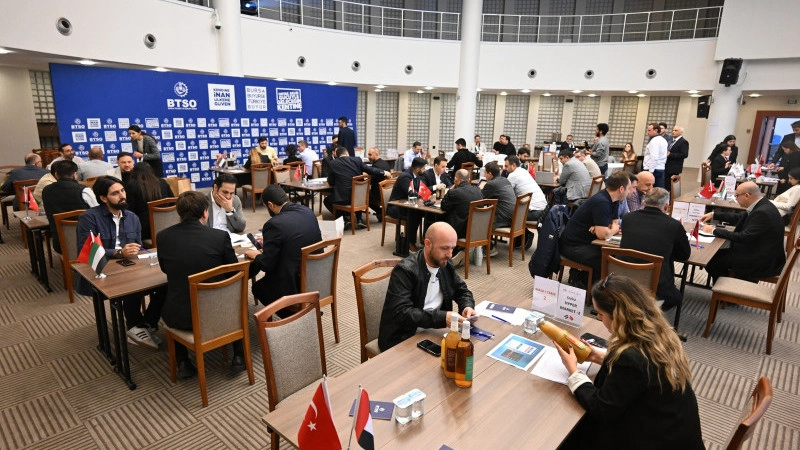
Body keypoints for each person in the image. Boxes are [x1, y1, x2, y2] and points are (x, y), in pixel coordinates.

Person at [555, 274, 704, 450]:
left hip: (655, 440)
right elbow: (642, 373)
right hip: (674, 432)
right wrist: (597, 356)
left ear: (619, 316)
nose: (599, 319)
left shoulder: (630, 357)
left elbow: (602, 408)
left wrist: (573, 371)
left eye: (601, 314)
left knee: (572, 435)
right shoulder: (661, 334)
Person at [157, 191, 241, 378]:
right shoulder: (219, 237)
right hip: (219, 315)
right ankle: (239, 356)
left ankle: (183, 362)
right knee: (233, 297)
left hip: (180, 318)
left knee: (173, 295)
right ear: (205, 212)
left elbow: (165, 269)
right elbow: (234, 273)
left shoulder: (162, 237)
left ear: (179, 213)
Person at [76, 176, 165, 349]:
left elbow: (137, 246)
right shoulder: (89, 218)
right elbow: (86, 251)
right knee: (131, 285)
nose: (122, 196)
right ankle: (135, 325)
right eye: (115, 193)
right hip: (102, 267)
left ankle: (144, 324)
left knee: (165, 283)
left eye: (122, 191)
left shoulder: (132, 217)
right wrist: (118, 252)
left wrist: (133, 252)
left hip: (130, 265)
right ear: (103, 198)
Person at [377, 222, 477, 351]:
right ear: (428, 244)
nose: (450, 254)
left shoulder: (445, 264)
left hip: (434, 330)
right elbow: (401, 313)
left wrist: (467, 306)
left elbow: (462, 290)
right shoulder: (405, 270)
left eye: (452, 248)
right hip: (403, 336)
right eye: (445, 248)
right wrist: (442, 317)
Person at [244, 185, 322, 308]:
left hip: (292, 286)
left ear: (270, 205)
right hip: (316, 277)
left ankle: (295, 314)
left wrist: (257, 255)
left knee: (258, 288)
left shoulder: (273, 224)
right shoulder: (308, 212)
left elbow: (267, 265)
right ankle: (308, 309)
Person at [620, 188, 691, 310]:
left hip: (623, 281)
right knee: (676, 297)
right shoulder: (674, 225)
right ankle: (648, 310)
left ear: (644, 203)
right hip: (656, 288)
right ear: (666, 206)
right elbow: (684, 255)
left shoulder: (627, 218)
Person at [700, 181, 786, 282]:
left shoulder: (762, 212)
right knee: (716, 254)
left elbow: (744, 237)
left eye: (737, 195)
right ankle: (728, 282)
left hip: (762, 260)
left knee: (712, 260)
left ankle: (727, 287)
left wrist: (714, 230)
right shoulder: (762, 204)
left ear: (747, 196)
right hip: (759, 250)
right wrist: (714, 214)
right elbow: (741, 217)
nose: (736, 199)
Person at [560, 171, 629, 287]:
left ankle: (587, 281)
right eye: (630, 188)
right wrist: (612, 230)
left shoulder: (614, 200)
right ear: (621, 189)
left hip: (587, 242)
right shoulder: (602, 202)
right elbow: (604, 234)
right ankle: (587, 285)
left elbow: (614, 223)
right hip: (573, 246)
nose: (631, 192)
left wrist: (607, 229)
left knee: (614, 255)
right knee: (607, 260)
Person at [325, 146, 389, 229]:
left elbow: (331, 181)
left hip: (343, 199)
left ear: (336, 156)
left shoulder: (333, 163)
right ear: (347, 153)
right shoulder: (357, 160)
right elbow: (370, 169)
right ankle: (359, 220)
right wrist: (384, 172)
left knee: (327, 200)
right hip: (360, 197)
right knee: (355, 194)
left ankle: (345, 219)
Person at [42, 160, 99, 253]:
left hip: (60, 244)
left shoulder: (46, 191)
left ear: (56, 175)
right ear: (75, 175)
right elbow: (98, 213)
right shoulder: (84, 191)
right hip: (89, 243)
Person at [124, 162, 173, 241]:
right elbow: (173, 202)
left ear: (134, 172)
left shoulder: (131, 185)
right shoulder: (163, 182)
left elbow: (130, 210)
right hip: (167, 227)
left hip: (143, 231)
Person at [388, 157, 427, 252]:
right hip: (396, 206)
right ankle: (410, 242)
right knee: (414, 215)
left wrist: (424, 194)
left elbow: (422, 190)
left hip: (408, 204)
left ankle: (424, 239)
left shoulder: (417, 176)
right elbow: (412, 193)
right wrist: (421, 194)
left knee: (426, 213)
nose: (424, 170)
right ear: (417, 169)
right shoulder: (405, 177)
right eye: (423, 168)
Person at [440, 168, 483, 243]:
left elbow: (443, 206)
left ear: (455, 179)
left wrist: (450, 190)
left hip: (459, 231)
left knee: (438, 217)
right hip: (476, 229)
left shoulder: (455, 192)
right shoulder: (478, 190)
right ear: (469, 179)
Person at [504, 156, 547, 222]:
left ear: (513, 165)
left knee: (506, 214)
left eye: (506, 166)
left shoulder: (513, 175)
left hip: (533, 212)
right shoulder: (524, 171)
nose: (505, 168)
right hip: (544, 211)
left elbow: (505, 192)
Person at [481, 161, 516, 230]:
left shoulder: (491, 184)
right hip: (513, 218)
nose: (484, 176)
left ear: (490, 173)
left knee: (475, 218)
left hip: (502, 220)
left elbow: (479, 200)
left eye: (485, 173)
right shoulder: (505, 180)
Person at [367, 146, 392, 219]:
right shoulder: (385, 163)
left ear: (376, 154)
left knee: (362, 197)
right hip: (386, 192)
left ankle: (380, 212)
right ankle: (381, 213)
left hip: (377, 194)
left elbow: (371, 181)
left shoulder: (376, 166)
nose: (368, 157)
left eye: (370, 155)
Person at [643, 123, 668, 188]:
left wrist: (650, 172)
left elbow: (654, 157)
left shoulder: (654, 141)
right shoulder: (663, 140)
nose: (647, 132)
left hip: (653, 169)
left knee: (651, 190)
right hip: (660, 167)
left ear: (656, 130)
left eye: (649, 130)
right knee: (658, 189)